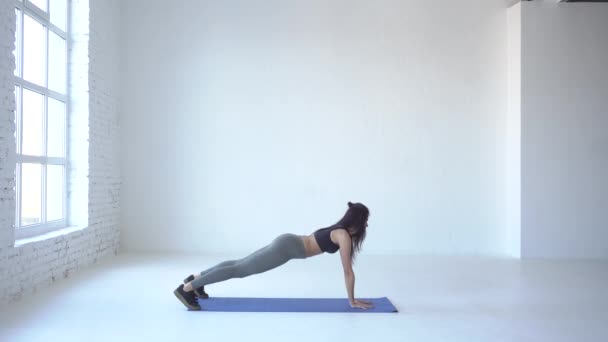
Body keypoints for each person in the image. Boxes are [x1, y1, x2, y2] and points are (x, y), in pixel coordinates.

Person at [174, 201, 374, 311]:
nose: (366, 225)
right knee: (240, 270)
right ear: (357, 220)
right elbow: (348, 272)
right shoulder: (343, 235)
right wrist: (352, 300)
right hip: (286, 249)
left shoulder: (338, 230)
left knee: (237, 264)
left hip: (288, 242)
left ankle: (196, 281)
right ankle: (186, 288)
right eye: (365, 220)